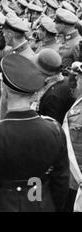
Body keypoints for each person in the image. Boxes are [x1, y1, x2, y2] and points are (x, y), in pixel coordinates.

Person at [0, 54, 70, 212]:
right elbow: (61, 180)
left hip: (2, 205)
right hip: (39, 201)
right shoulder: (54, 130)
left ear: (4, 89)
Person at [62, 61, 82, 212]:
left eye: (80, 78)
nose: (77, 80)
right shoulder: (79, 100)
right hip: (71, 177)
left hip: (78, 179)